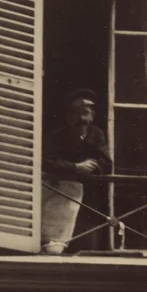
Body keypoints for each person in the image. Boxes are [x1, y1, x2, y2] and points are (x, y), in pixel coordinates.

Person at [42, 89, 111, 253]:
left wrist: (92, 166)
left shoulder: (96, 134)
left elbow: (107, 163)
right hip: (58, 194)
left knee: (86, 240)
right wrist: (76, 167)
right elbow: (46, 162)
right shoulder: (57, 136)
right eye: (76, 114)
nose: (81, 119)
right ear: (68, 117)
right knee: (56, 244)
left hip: (88, 197)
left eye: (85, 114)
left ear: (92, 117)